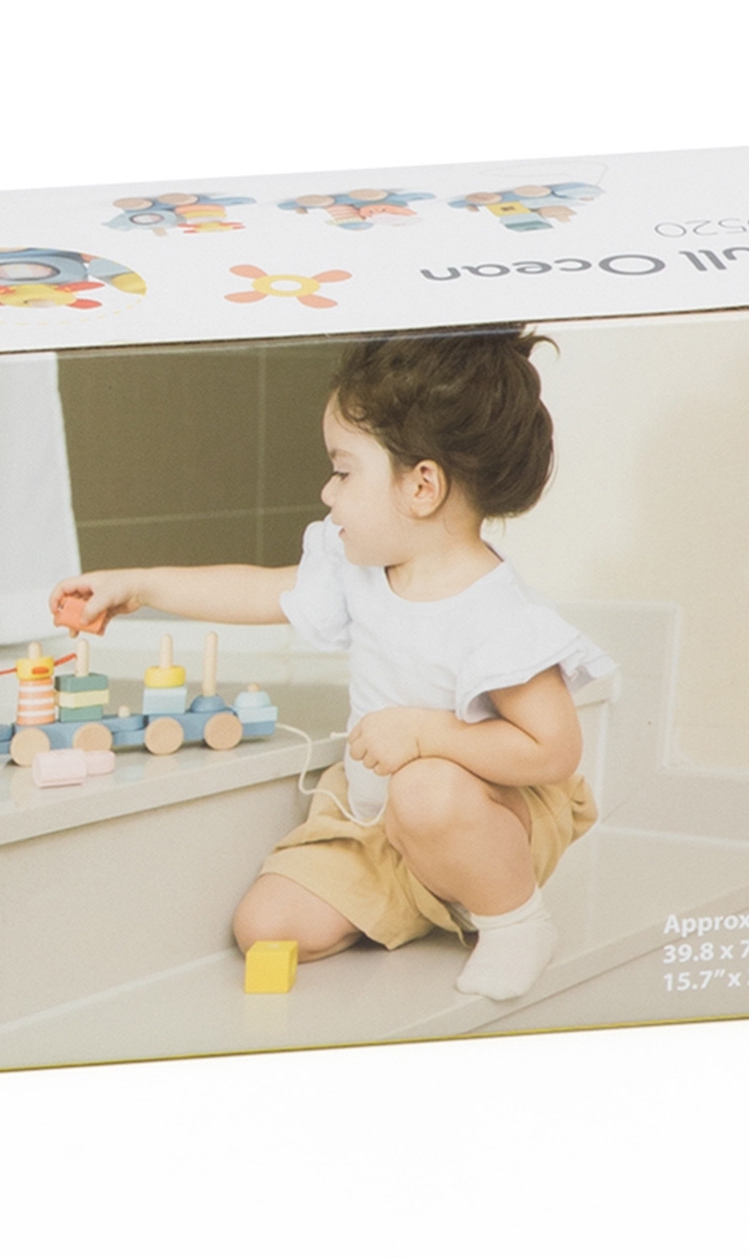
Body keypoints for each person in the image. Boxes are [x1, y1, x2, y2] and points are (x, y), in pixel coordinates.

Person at [52, 327, 612, 1001]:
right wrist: (141, 585)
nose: (326, 492)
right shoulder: (361, 571)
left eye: (343, 471)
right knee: (264, 926)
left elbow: (553, 750)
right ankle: (427, 896)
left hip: (481, 816)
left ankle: (514, 920)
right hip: (376, 824)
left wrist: (426, 734)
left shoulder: (496, 614)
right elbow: (260, 590)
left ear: (422, 486)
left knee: (425, 791)